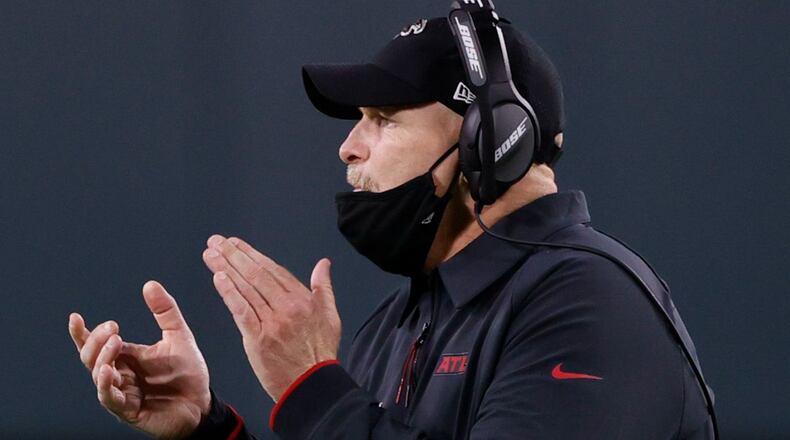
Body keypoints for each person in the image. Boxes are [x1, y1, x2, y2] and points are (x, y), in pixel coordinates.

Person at [68, 13, 715, 440]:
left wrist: (313, 388)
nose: (349, 147)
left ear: (490, 141)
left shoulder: (587, 304)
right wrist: (207, 428)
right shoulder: (399, 322)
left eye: (383, 117)